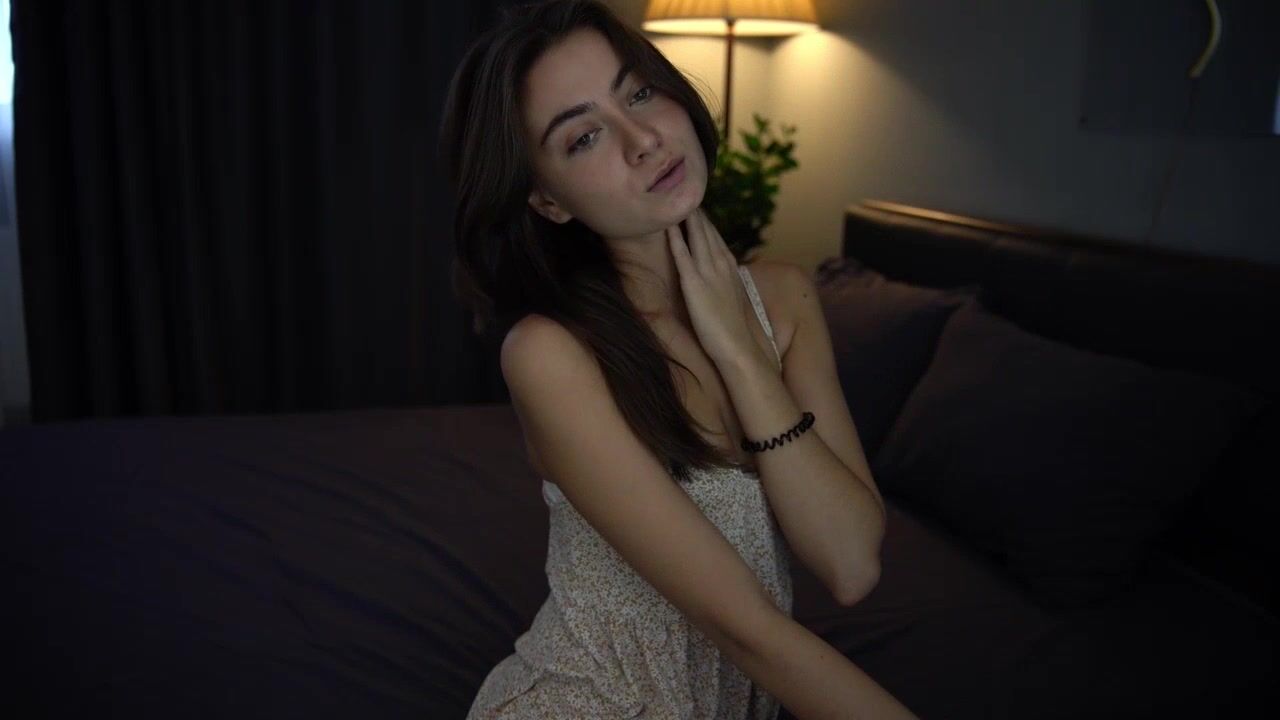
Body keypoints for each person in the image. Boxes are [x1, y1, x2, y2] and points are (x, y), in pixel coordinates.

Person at [439, 1, 918, 717]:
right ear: (547, 201)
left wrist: (742, 355)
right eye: (585, 136)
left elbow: (850, 563)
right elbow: (747, 631)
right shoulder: (551, 355)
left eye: (638, 94)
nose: (643, 141)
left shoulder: (785, 298)